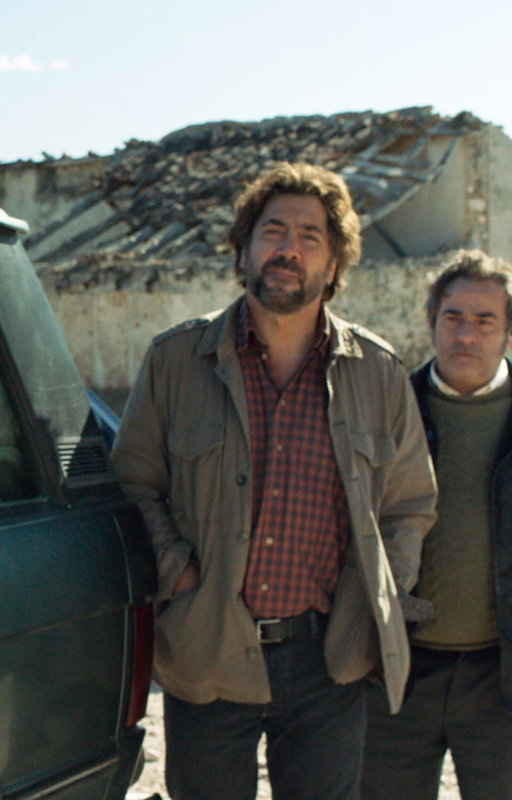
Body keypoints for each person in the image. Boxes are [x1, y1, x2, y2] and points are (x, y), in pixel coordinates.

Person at [111, 162, 437, 800]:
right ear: (243, 250)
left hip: (329, 659)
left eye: (311, 237)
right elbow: (133, 482)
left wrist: (375, 602)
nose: (289, 248)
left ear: (334, 265)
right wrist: (178, 573)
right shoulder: (176, 360)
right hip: (208, 649)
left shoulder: (377, 372)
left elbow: (410, 504)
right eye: (273, 231)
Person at [362, 251, 512, 800]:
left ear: (508, 333)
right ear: (432, 322)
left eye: (484, 320)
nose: (466, 335)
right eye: (453, 317)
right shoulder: (389, 412)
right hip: (398, 673)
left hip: (500, 679)